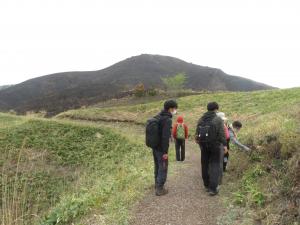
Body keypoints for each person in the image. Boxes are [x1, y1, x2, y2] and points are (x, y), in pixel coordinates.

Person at [195, 102, 227, 196]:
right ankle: (213, 189)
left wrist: (198, 140)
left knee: (204, 164)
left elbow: (197, 132)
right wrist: (224, 145)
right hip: (215, 145)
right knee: (215, 165)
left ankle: (206, 185)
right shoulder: (217, 119)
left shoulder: (201, 118)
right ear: (216, 109)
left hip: (203, 145)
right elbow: (221, 133)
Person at [151, 100, 178, 196]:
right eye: (175, 108)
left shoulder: (158, 116)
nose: (175, 110)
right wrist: (165, 151)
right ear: (171, 108)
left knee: (157, 166)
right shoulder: (167, 120)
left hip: (155, 147)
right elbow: (165, 137)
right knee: (163, 167)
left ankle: (156, 184)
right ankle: (159, 189)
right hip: (161, 148)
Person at [216, 112, 230, 185]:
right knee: (224, 157)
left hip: (218, 144)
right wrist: (225, 146)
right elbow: (226, 136)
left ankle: (223, 168)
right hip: (223, 144)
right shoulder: (222, 125)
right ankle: (223, 170)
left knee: (224, 156)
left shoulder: (215, 124)